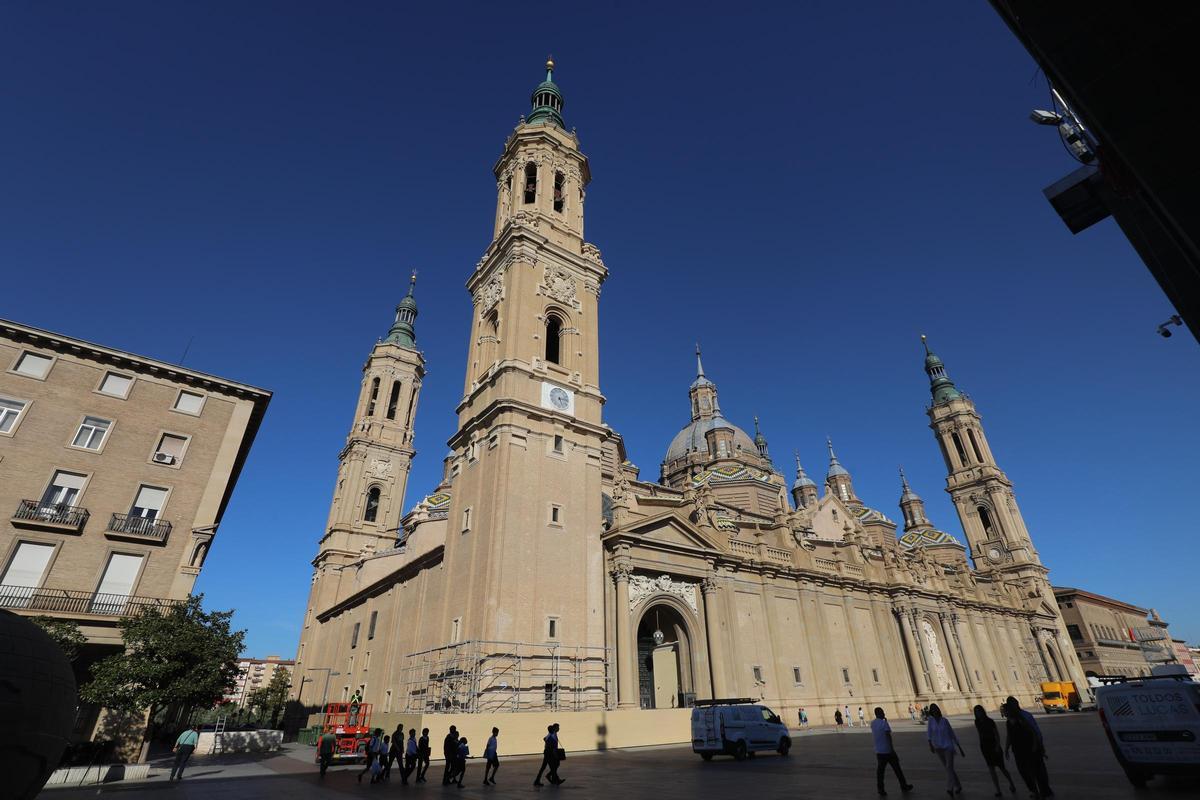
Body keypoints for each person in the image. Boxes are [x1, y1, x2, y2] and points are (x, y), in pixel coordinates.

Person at [1004, 697, 1053, 798]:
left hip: (1030, 748)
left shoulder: (1024, 716)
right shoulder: (1009, 721)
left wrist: (1039, 745)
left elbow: (1035, 731)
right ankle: (1035, 790)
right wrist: (1006, 748)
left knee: (1038, 771)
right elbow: (1009, 735)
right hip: (1018, 750)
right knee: (1025, 772)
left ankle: (1045, 790)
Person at [974, 705, 1017, 797]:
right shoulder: (977, 722)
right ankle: (998, 789)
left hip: (994, 746)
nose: (978, 714)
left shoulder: (990, 721)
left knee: (1002, 768)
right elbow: (979, 734)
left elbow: (996, 734)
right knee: (991, 770)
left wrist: (998, 746)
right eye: (976, 712)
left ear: (982, 712)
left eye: (979, 712)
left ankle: (1011, 783)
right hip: (985, 747)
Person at [871, 707, 914, 797]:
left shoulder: (873, 723)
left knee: (880, 772)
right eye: (882, 712)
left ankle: (881, 789)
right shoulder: (884, 724)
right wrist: (892, 749)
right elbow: (888, 736)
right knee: (897, 769)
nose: (884, 713)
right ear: (879, 713)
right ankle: (903, 785)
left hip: (879, 751)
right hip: (888, 751)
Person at [926, 703, 965, 796]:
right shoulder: (931, 721)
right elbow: (929, 733)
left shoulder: (944, 721)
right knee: (949, 768)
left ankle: (949, 788)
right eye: (932, 709)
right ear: (931, 712)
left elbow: (951, 733)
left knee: (949, 767)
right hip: (938, 747)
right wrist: (930, 745)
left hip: (948, 746)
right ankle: (958, 786)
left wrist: (959, 746)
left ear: (938, 710)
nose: (934, 711)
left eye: (935, 709)